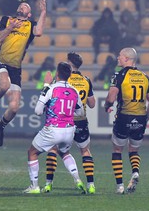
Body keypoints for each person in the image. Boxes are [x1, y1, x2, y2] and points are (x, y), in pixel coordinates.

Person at [0, 0, 47, 147]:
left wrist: (44, 12)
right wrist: (10, 28)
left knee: (14, 107)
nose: (22, 6)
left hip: (15, 69)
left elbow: (39, 32)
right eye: (21, 5)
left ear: (29, 14)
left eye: (25, 6)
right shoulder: (7, 20)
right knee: (5, 85)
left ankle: (1, 125)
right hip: (0, 62)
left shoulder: (30, 25)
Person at [23, 62, 85, 194]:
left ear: (57, 74)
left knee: (32, 153)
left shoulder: (51, 89)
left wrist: (46, 85)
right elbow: (81, 113)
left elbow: (38, 111)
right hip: (69, 130)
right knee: (65, 153)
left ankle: (34, 187)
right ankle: (78, 179)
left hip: (53, 129)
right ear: (69, 75)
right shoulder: (74, 91)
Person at [104, 47, 149, 194]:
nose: (118, 58)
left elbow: (111, 98)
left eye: (120, 56)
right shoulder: (145, 77)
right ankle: (135, 172)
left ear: (126, 58)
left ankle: (120, 186)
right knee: (134, 150)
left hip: (123, 117)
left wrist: (106, 105)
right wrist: (145, 118)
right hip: (140, 119)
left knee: (117, 150)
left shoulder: (119, 75)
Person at [43, 52, 96, 194]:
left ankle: (48, 184)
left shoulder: (62, 79)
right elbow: (92, 104)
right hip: (81, 121)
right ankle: (91, 185)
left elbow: (51, 97)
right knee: (85, 151)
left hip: (63, 121)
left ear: (69, 63)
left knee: (53, 149)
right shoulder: (86, 80)